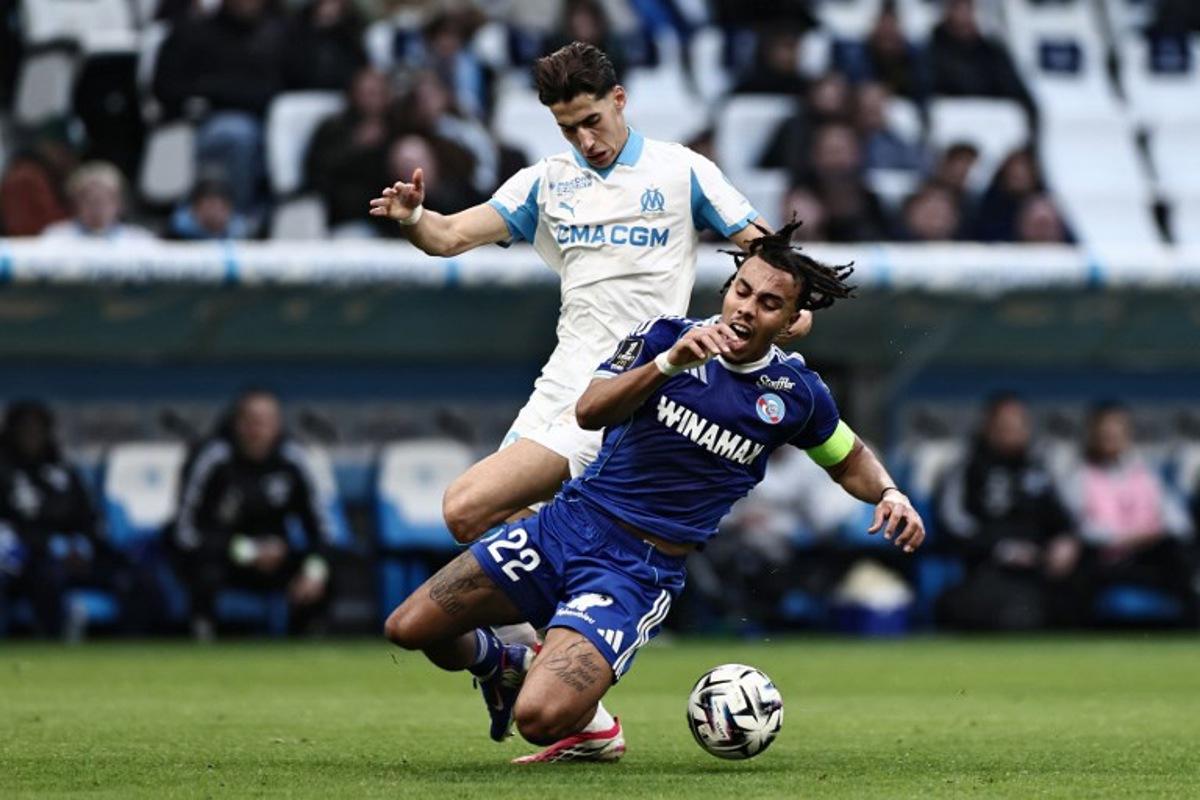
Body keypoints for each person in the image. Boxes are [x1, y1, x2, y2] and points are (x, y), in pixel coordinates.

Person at [369, 42, 812, 759]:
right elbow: (449, 238)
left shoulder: (681, 171)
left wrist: (791, 313)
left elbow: (770, 256)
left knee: (468, 507)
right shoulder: (547, 184)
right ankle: (528, 672)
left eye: (592, 119)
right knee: (473, 517)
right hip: (561, 385)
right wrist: (415, 218)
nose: (584, 138)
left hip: (632, 390)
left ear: (621, 101)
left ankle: (552, 670)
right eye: (567, 125)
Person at [384, 223, 924, 762]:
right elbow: (590, 410)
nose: (746, 308)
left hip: (635, 571)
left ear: (788, 322)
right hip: (566, 526)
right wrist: (668, 365)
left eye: (768, 303)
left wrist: (890, 492)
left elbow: (847, 457)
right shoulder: (665, 337)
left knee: (538, 719)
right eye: (742, 291)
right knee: (409, 629)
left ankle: (590, 731)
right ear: (727, 289)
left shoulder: (796, 394)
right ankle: (501, 665)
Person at [171, 389, 335, 639]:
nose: (259, 430)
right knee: (203, 571)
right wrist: (246, 550)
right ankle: (203, 637)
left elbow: (322, 531)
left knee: (325, 569)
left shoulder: (293, 461)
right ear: (238, 423)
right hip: (225, 556)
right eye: (252, 421)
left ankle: (307, 645)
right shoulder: (213, 459)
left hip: (275, 557)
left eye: (267, 422)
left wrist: (314, 572)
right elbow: (185, 532)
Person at [935, 393, 1080, 630]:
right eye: (1004, 425)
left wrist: (1066, 541)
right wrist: (1001, 548)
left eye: (1019, 424)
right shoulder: (967, 468)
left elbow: (1063, 518)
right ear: (988, 427)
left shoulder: (1039, 469)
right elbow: (953, 524)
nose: (1012, 431)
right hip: (989, 567)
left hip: (1041, 567)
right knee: (1011, 613)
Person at [1058, 402, 1196, 624]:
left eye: (1117, 432)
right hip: (1105, 562)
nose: (1110, 438)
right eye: (1104, 433)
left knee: (1179, 556)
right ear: (1092, 435)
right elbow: (1080, 529)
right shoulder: (1079, 477)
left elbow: (1179, 523)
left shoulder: (1146, 474)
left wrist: (1152, 535)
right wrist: (1130, 537)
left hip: (1147, 557)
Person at [0, 402, 103, 638]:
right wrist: (51, 546)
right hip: (20, 557)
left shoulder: (63, 471)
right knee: (44, 575)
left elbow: (88, 518)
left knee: (130, 577)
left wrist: (81, 546)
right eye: (25, 430)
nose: (32, 437)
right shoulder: (4, 471)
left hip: (70, 554)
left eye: (38, 430)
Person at [40, 162, 155, 241]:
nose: (97, 205)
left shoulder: (140, 241)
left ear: (119, 203)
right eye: (89, 198)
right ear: (76, 202)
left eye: (106, 198)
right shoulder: (55, 238)